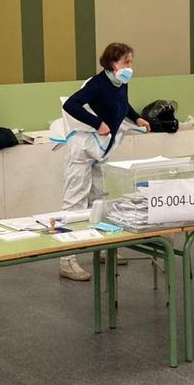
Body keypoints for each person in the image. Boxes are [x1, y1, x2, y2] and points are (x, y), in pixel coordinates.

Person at [59, 42, 150, 281]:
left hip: (100, 152)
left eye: (131, 61)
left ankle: (101, 248)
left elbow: (122, 105)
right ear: (112, 63)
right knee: (75, 203)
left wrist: (137, 117)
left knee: (99, 199)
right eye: (126, 62)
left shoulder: (121, 82)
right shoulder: (97, 84)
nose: (130, 66)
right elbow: (71, 104)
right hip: (82, 152)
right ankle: (66, 260)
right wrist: (96, 123)